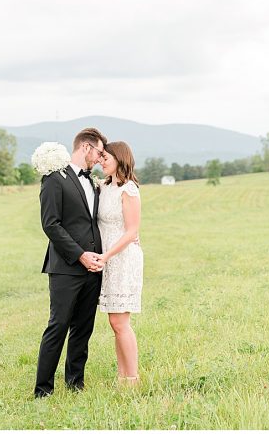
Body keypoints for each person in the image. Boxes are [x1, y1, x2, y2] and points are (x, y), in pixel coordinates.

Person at [34, 127, 107, 398]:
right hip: (66, 267)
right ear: (86, 148)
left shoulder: (93, 182)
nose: (100, 158)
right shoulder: (55, 179)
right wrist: (79, 255)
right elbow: (50, 224)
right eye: (99, 152)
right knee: (59, 325)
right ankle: (43, 390)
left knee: (83, 328)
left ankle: (75, 384)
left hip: (93, 268)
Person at [98, 140, 144, 385]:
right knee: (114, 322)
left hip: (123, 258)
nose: (101, 161)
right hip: (108, 259)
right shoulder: (105, 187)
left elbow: (131, 232)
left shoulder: (129, 190)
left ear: (119, 159)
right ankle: (122, 376)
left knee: (120, 321)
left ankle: (132, 378)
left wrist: (106, 256)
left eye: (105, 157)